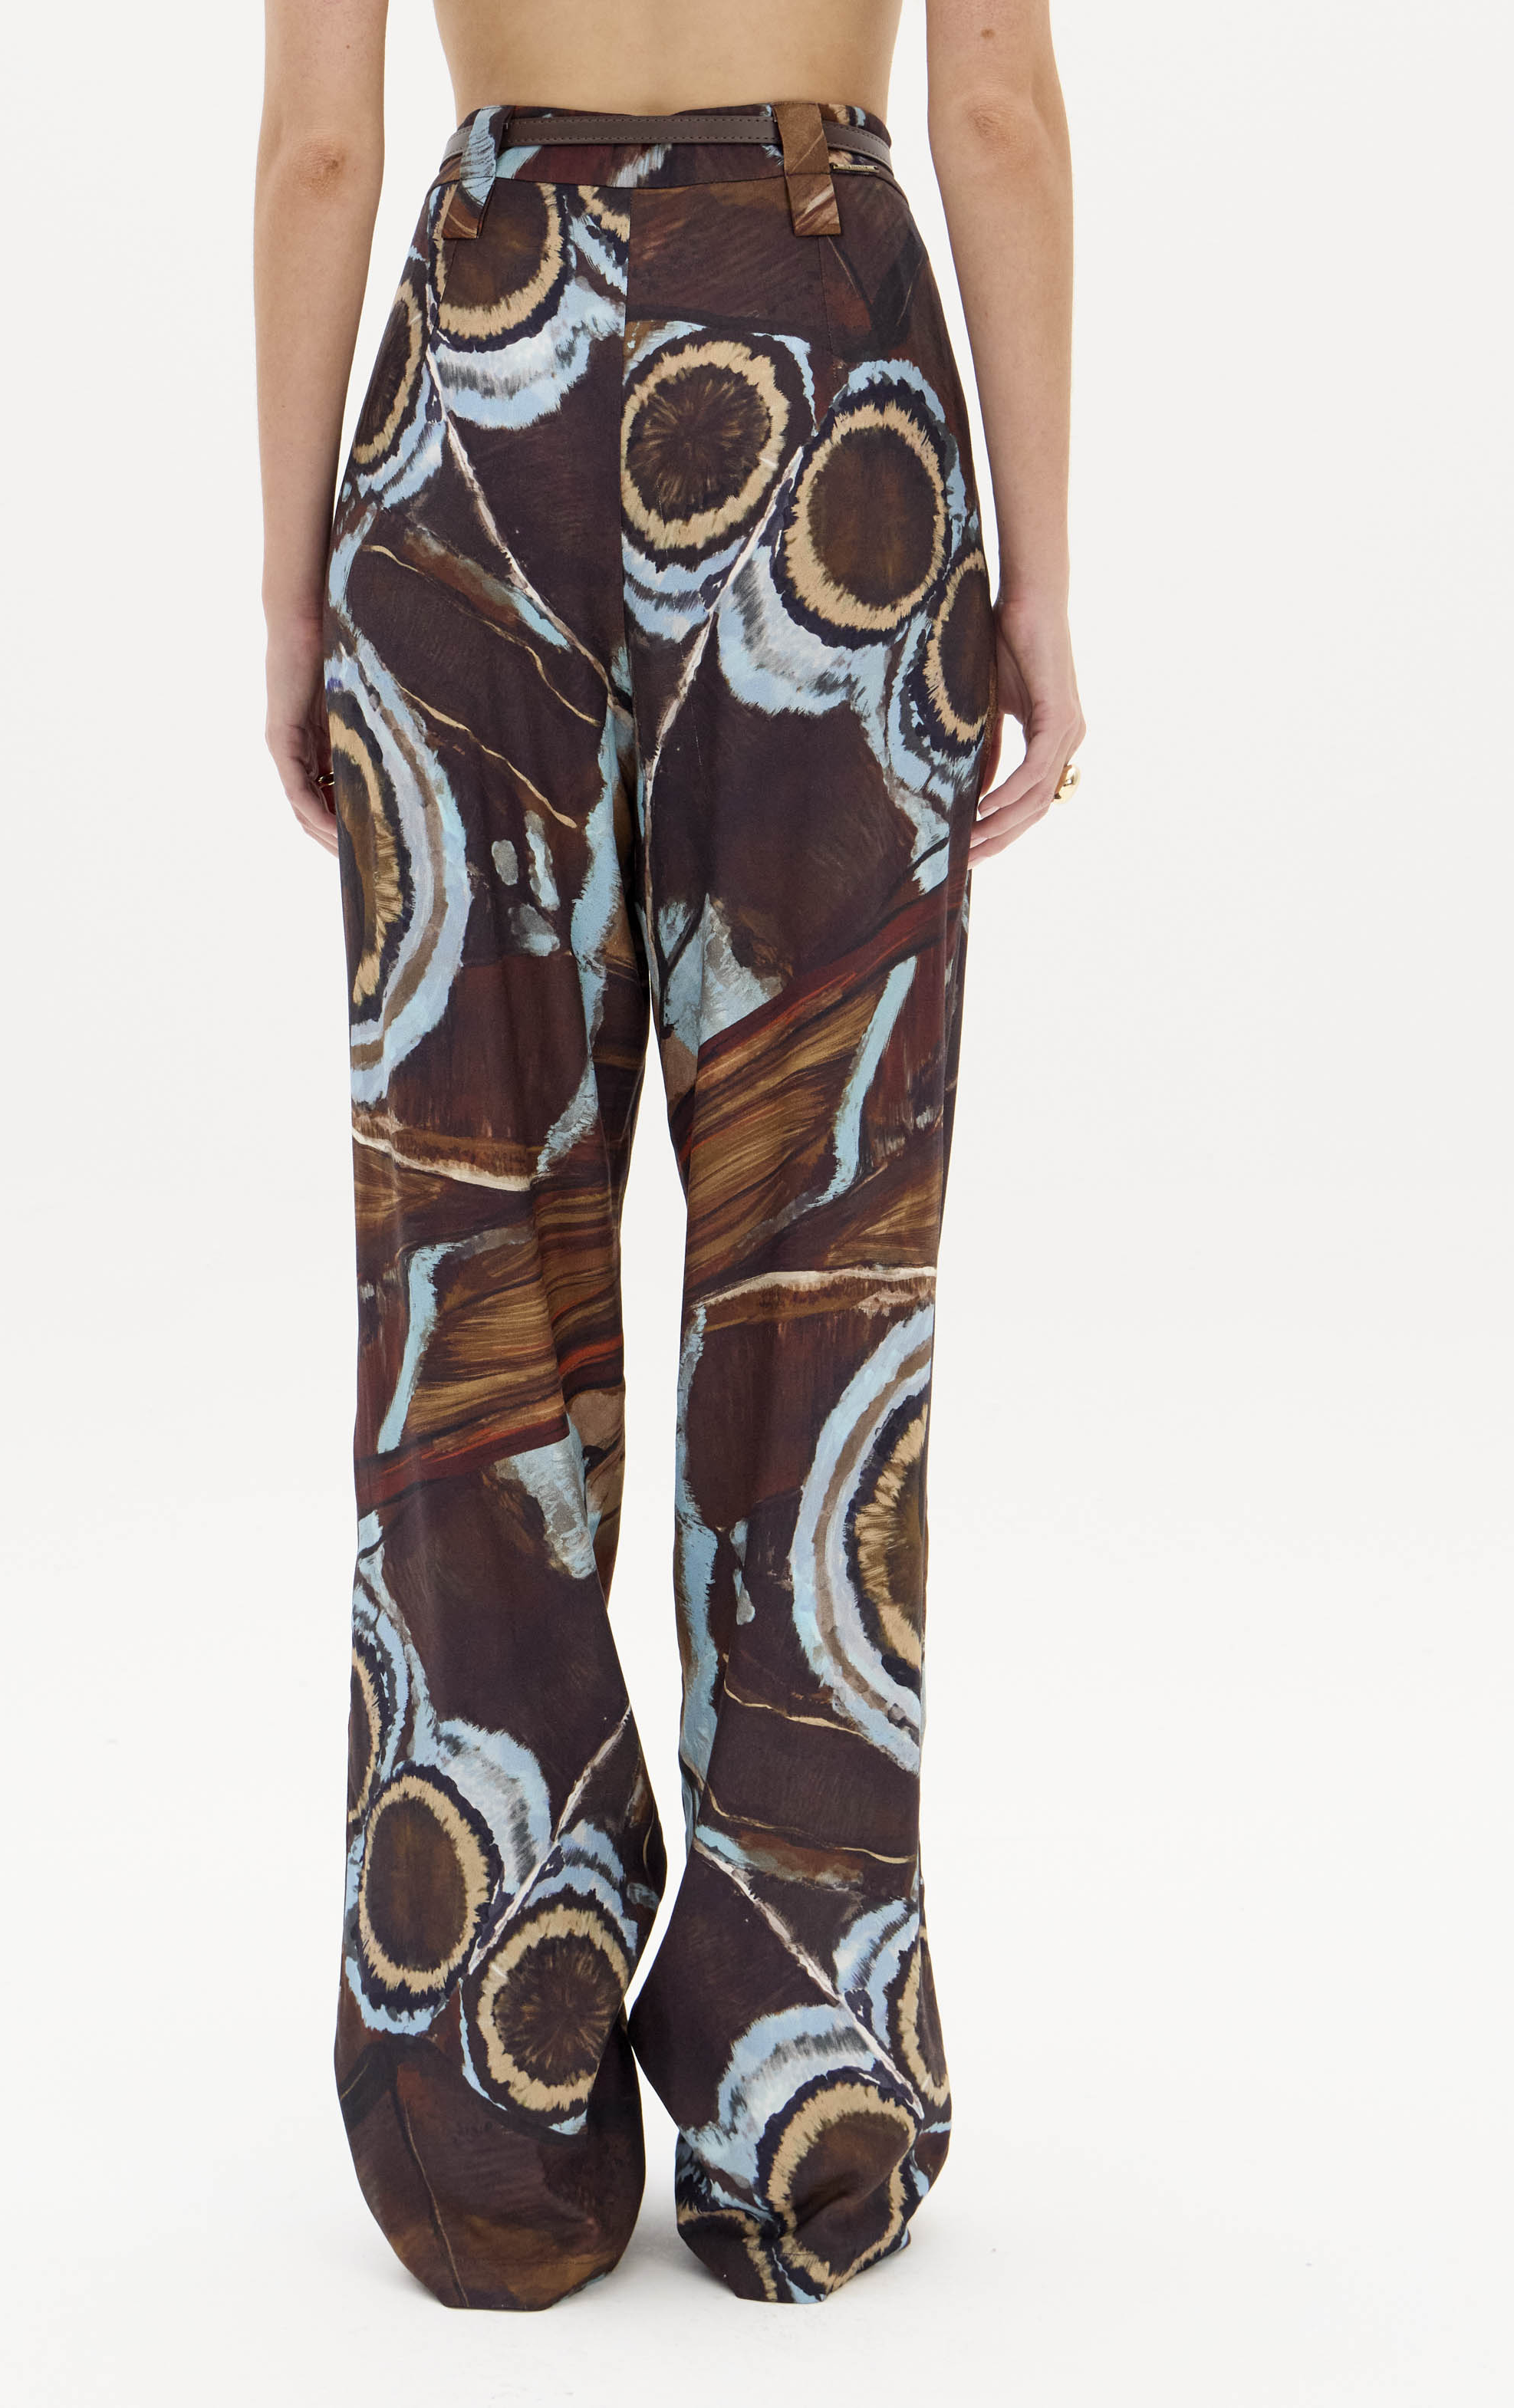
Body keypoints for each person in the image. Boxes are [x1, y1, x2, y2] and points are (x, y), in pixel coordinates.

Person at [255, 0, 1083, 2311]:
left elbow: (321, 151)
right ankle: (804, 2097)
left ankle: (483, 2097)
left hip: (475, 401)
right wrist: (1036, 578)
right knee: (821, 1254)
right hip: (829, 381)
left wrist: (294, 581)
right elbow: (995, 100)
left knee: (472, 1248)